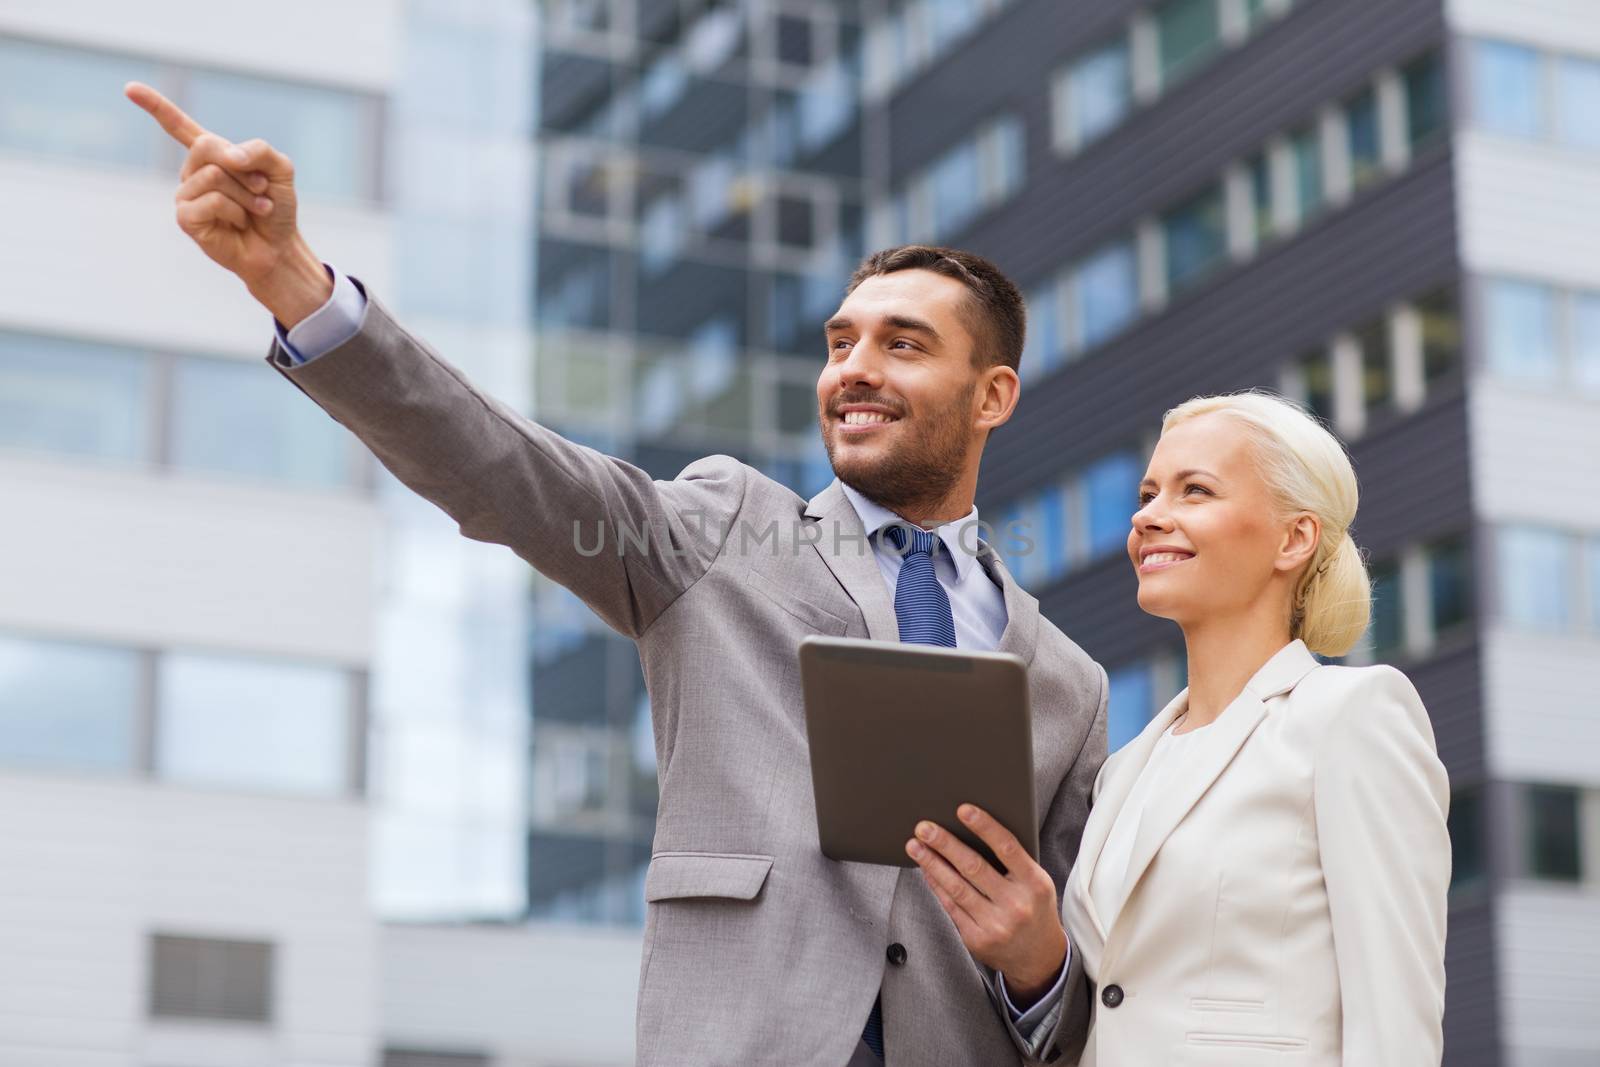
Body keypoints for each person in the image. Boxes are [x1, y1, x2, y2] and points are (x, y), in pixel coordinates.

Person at [124, 84, 1107, 1067]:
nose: (853, 367)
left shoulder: (1065, 681)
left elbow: (1082, 1007)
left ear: (992, 395)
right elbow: (506, 470)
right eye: (840, 342)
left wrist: (1038, 963)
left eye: (903, 345)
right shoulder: (723, 528)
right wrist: (294, 279)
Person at [910, 390, 1452, 1065]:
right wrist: (1035, 956)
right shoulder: (1125, 768)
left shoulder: (1351, 716)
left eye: (1194, 491)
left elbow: (1396, 1023)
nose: (1148, 516)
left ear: (1295, 537)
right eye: (1147, 493)